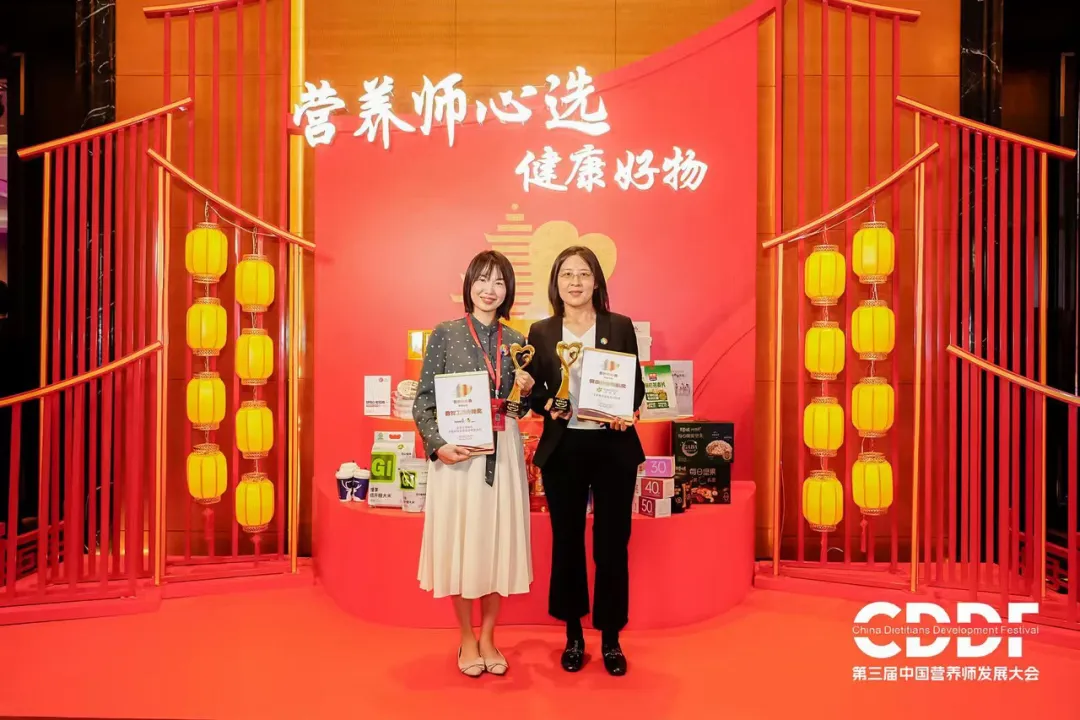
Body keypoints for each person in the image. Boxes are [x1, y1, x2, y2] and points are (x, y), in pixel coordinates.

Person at [414, 250, 535, 678]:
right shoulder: (445, 334)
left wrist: (525, 391)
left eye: (499, 282)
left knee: (496, 543)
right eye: (482, 280)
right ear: (469, 285)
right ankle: (466, 636)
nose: (489, 290)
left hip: (503, 455)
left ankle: (488, 637)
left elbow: (521, 410)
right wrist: (438, 446)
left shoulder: (518, 341)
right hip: (458, 458)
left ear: (508, 291)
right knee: (461, 543)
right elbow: (423, 401)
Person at [526, 246, 646, 677]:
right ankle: (573, 634)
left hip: (613, 448)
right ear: (556, 283)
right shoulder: (541, 331)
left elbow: (635, 386)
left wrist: (625, 410)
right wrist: (548, 406)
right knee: (567, 542)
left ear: (596, 281)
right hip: (565, 449)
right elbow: (534, 392)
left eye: (583, 274)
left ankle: (610, 636)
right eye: (566, 275)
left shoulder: (620, 326)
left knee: (612, 544)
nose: (574, 282)